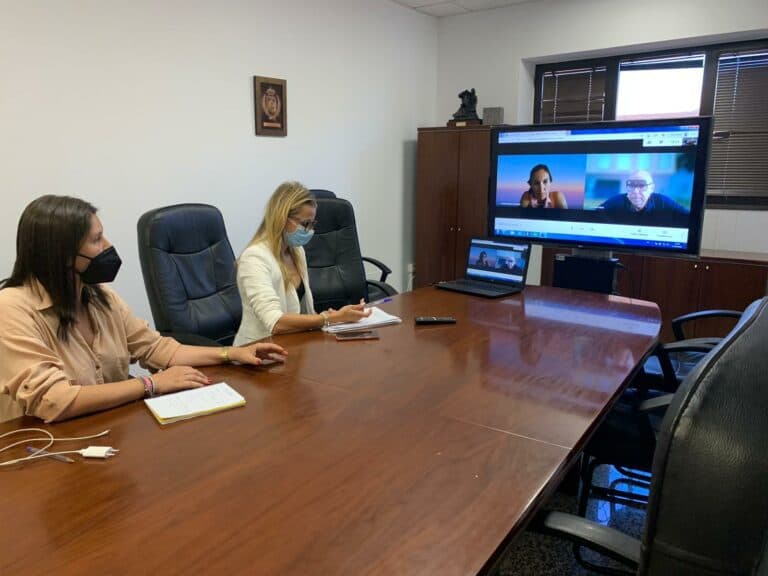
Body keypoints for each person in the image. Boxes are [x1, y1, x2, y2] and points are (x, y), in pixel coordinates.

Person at [0, 195, 287, 423]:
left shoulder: (101, 297)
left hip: (105, 430)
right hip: (41, 449)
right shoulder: (11, 308)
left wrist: (231, 354)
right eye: (96, 240)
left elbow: (157, 349)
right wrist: (150, 384)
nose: (108, 246)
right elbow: (54, 400)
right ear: (62, 255)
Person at [234, 181, 370, 345]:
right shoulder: (254, 258)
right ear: (282, 219)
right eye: (306, 224)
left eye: (312, 224)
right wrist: (327, 318)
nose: (310, 231)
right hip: (258, 348)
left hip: (292, 343)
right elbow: (275, 322)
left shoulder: (296, 251)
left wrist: (336, 316)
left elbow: (302, 311)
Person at [598, 170, 688, 215]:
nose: (635, 191)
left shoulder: (663, 202)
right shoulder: (616, 201)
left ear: (651, 188)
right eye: (631, 186)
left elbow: (687, 216)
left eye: (642, 186)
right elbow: (595, 214)